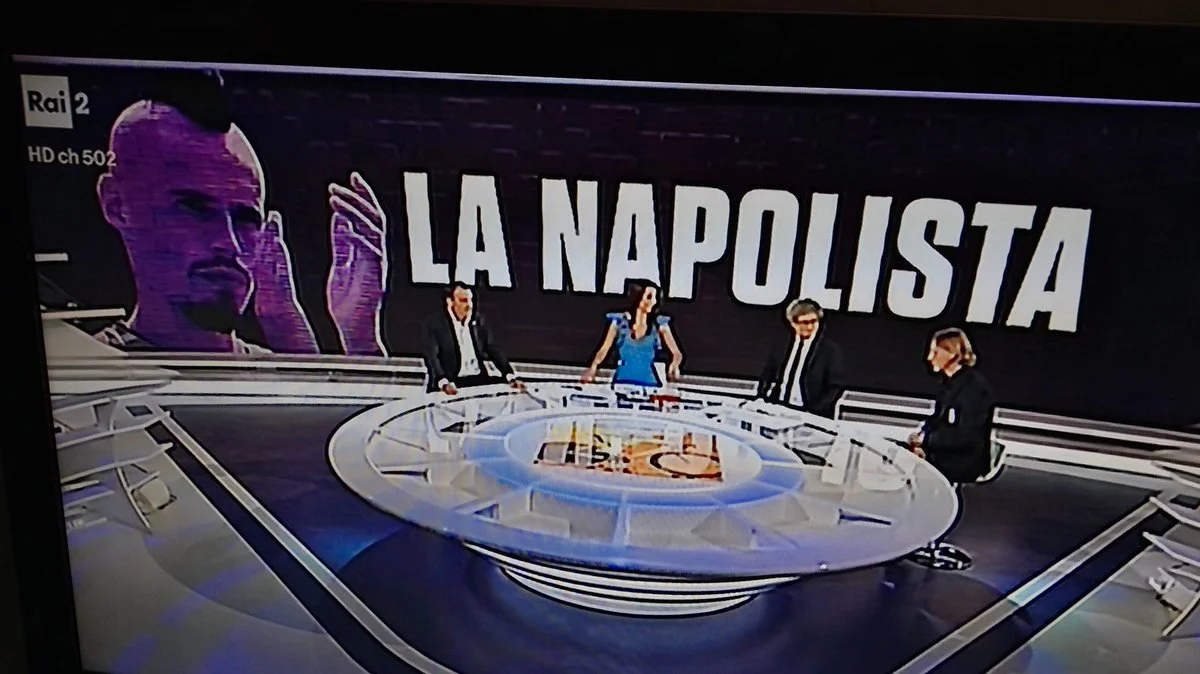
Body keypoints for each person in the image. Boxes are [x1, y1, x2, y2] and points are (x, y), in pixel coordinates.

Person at [93, 69, 386, 355]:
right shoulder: (83, 366)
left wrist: (359, 336)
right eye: (195, 208)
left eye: (246, 219)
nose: (229, 243)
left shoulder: (271, 368)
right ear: (116, 205)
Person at [907, 327, 996, 484]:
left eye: (935, 352)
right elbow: (937, 420)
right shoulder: (949, 385)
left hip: (963, 461)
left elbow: (965, 435)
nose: (929, 358)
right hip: (945, 453)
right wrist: (921, 436)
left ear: (952, 353)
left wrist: (927, 440)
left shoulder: (974, 389)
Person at [422, 282, 524, 395]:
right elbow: (432, 358)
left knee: (509, 390)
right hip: (451, 380)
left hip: (477, 378)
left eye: (471, 300)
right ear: (450, 302)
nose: (469, 305)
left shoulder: (479, 321)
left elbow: (494, 349)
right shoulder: (435, 324)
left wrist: (509, 376)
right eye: (463, 300)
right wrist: (443, 382)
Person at [581, 279, 684, 388]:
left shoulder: (659, 324)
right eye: (649, 297)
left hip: (649, 384)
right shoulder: (619, 322)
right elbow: (604, 349)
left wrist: (674, 365)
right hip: (622, 382)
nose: (653, 301)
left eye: (655, 297)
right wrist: (593, 368)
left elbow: (676, 353)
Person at [754, 299, 846, 418]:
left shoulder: (829, 350)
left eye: (814, 321)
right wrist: (762, 397)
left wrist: (815, 411)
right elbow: (768, 373)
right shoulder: (782, 345)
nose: (810, 327)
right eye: (804, 322)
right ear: (793, 323)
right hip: (779, 409)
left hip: (810, 414)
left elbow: (835, 386)